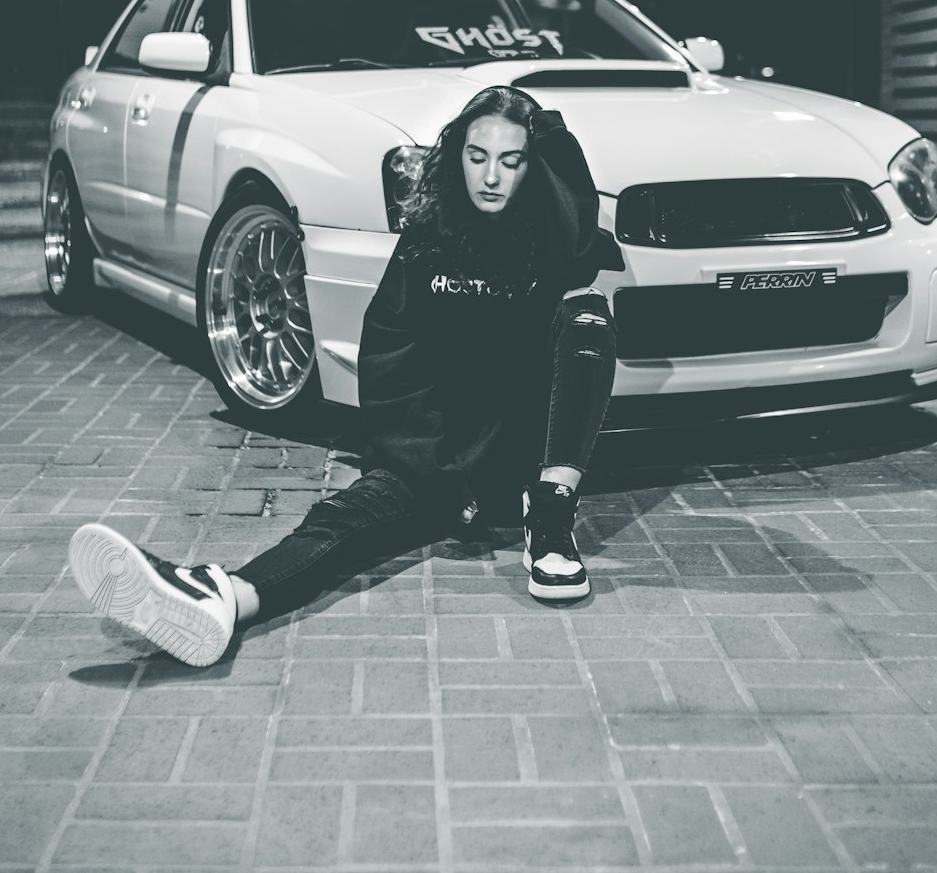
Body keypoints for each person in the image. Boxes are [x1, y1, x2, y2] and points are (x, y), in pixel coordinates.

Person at [67, 86, 624, 668]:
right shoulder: (428, 242)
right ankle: (224, 599)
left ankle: (552, 516)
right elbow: (389, 349)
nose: (491, 176)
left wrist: (545, 127)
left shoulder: (549, 240)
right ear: (457, 154)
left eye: (511, 161)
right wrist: (431, 469)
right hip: (434, 458)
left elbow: (579, 218)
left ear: (532, 168)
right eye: (477, 156)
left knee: (588, 317)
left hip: (517, 455)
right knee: (345, 519)